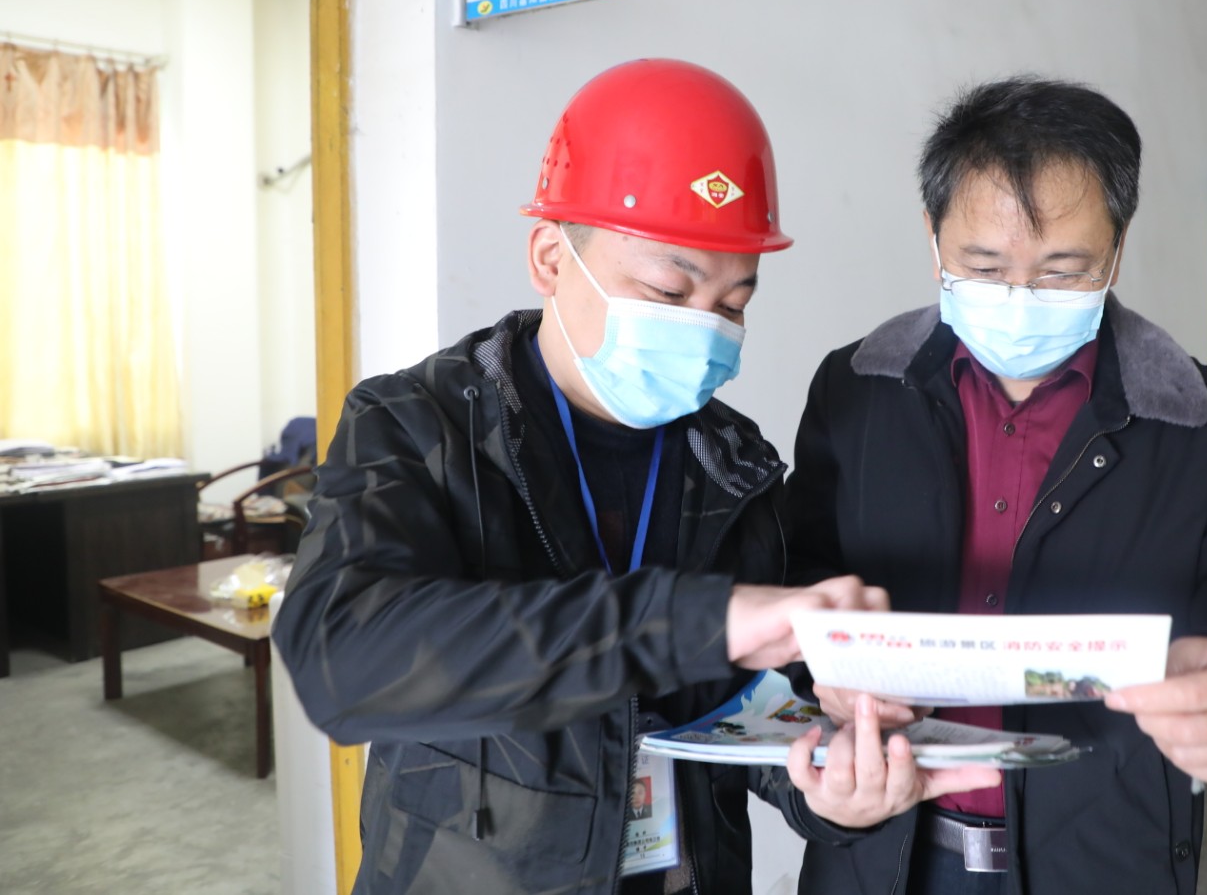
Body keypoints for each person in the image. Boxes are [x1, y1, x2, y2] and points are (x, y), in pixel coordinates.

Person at [272, 60, 994, 895]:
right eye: (667, 290)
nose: (704, 329)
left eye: (733, 304)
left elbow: (755, 707)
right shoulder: (417, 424)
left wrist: (830, 788)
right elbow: (343, 659)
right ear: (551, 258)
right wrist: (699, 619)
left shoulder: (733, 467)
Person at [784, 77, 1207, 894]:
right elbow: (797, 585)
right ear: (932, 236)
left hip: (1097, 860)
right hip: (879, 856)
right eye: (983, 265)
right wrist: (823, 692)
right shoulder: (856, 390)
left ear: (1116, 251)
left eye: (1063, 270)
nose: (1019, 297)